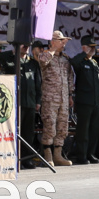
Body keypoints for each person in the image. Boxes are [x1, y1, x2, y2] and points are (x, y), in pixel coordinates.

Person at [35, 30, 73, 165]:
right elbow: (43, 62)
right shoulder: (45, 55)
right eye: (60, 40)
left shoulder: (65, 59)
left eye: (64, 41)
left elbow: (70, 78)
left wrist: (70, 95)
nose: (64, 43)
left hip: (63, 98)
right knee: (50, 126)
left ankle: (58, 155)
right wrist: (53, 49)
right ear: (52, 41)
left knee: (62, 127)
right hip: (50, 98)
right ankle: (48, 155)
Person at [71, 35, 99, 164]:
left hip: (95, 101)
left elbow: (98, 83)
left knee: (94, 130)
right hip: (84, 101)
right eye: (90, 47)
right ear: (84, 47)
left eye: (94, 47)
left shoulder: (94, 63)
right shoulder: (81, 62)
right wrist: (84, 53)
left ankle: (90, 153)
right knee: (83, 130)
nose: (93, 50)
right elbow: (73, 63)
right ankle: (82, 155)